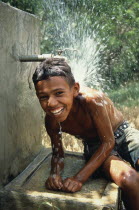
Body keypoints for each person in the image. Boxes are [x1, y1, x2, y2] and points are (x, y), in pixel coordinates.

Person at [32, 58, 139, 210]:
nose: (51, 103)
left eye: (59, 93)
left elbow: (109, 141)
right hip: (97, 146)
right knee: (130, 180)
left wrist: (79, 178)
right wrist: (54, 174)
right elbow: (58, 154)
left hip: (124, 133)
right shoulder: (52, 121)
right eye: (43, 97)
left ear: (75, 89)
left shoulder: (92, 101)